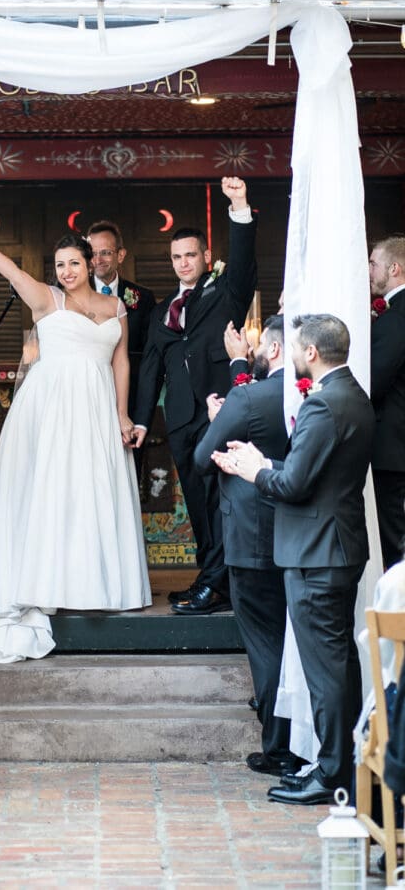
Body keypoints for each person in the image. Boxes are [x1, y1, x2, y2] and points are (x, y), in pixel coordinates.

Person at [0, 215, 151, 664]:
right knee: (52, 490)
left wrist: (122, 414)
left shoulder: (117, 308)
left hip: (97, 408)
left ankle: (95, 583)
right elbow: (13, 273)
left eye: (74, 262)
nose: (66, 271)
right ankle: (47, 581)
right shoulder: (47, 300)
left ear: (90, 264)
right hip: (51, 409)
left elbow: (121, 363)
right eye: (60, 264)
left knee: (92, 493)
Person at [213, 314, 375, 803]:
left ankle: (330, 776)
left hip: (315, 555)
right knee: (340, 665)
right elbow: (312, 472)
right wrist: (265, 462)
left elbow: (293, 485)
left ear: (310, 353)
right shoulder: (353, 396)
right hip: (338, 546)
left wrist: (253, 472)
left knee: (325, 672)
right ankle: (341, 766)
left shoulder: (323, 405)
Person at [133, 176, 257, 613]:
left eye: (191, 255)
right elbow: (150, 367)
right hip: (182, 420)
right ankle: (209, 577)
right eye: (176, 257)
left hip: (220, 414)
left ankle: (219, 584)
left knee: (220, 501)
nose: (183, 263)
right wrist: (144, 420)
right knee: (198, 506)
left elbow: (243, 265)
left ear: (206, 257)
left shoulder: (225, 292)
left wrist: (238, 207)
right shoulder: (164, 310)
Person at [195, 315, 296, 776]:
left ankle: (278, 746)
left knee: (264, 642)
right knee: (292, 637)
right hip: (299, 535)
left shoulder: (249, 397)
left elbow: (202, 457)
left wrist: (219, 420)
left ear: (274, 350)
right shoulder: (309, 396)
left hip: (251, 537)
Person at [86, 220, 156, 421]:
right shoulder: (74, 297)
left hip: (131, 395)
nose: (98, 259)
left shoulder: (143, 298)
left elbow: (148, 354)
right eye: (93, 253)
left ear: (121, 255)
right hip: (87, 393)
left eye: (106, 252)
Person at [369, 235, 405, 569]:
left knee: (395, 542)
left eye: (373, 263)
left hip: (393, 448)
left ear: (393, 269)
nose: (369, 271)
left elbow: (375, 382)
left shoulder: (395, 320)